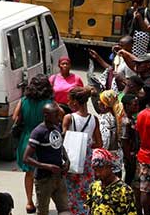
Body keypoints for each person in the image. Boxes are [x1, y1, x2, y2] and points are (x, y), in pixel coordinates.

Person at [13, 76, 55, 214]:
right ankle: (41, 201)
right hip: (43, 139)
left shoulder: (23, 101)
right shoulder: (49, 103)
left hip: (27, 138)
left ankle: (29, 202)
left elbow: (15, 118)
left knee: (29, 173)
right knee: (44, 173)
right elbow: (59, 115)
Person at [23, 102, 71, 215]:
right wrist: (47, 166)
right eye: (56, 115)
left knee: (65, 209)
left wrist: (67, 160)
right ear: (46, 116)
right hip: (44, 179)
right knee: (43, 211)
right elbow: (26, 158)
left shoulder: (57, 128)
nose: (59, 117)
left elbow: (59, 145)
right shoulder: (38, 132)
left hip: (59, 177)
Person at [62, 87, 102, 215]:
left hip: (71, 159)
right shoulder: (94, 119)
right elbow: (99, 143)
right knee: (86, 190)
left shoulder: (69, 118)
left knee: (71, 191)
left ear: (75, 102)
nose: (68, 103)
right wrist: (87, 144)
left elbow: (64, 140)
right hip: (87, 160)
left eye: (69, 100)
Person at [88, 148, 137, 215]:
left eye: (101, 170)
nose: (98, 173)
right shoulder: (94, 187)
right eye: (95, 170)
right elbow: (90, 210)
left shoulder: (125, 190)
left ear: (109, 167)